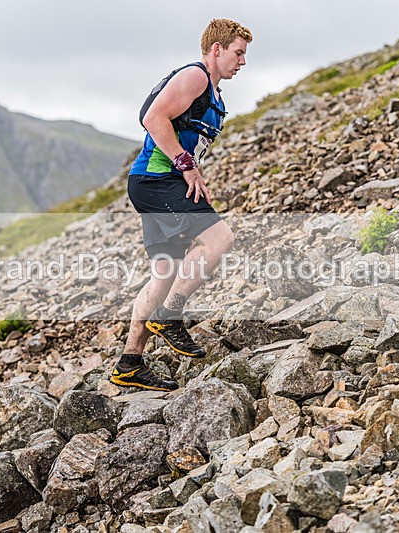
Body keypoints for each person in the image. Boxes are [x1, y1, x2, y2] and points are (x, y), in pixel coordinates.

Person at [110, 19, 253, 391]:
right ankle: (170, 317)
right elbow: (152, 118)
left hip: (158, 183)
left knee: (164, 273)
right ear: (216, 49)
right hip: (156, 181)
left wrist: (192, 171)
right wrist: (185, 165)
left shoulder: (215, 96)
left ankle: (130, 363)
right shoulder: (196, 77)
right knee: (220, 240)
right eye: (238, 53)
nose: (242, 62)